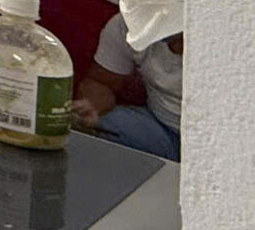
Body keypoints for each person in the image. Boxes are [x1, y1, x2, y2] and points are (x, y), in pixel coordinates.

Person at [70, 12, 183, 159]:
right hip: (162, 128)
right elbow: (102, 83)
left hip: (211, 138)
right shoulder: (130, 22)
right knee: (94, 127)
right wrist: (90, 106)